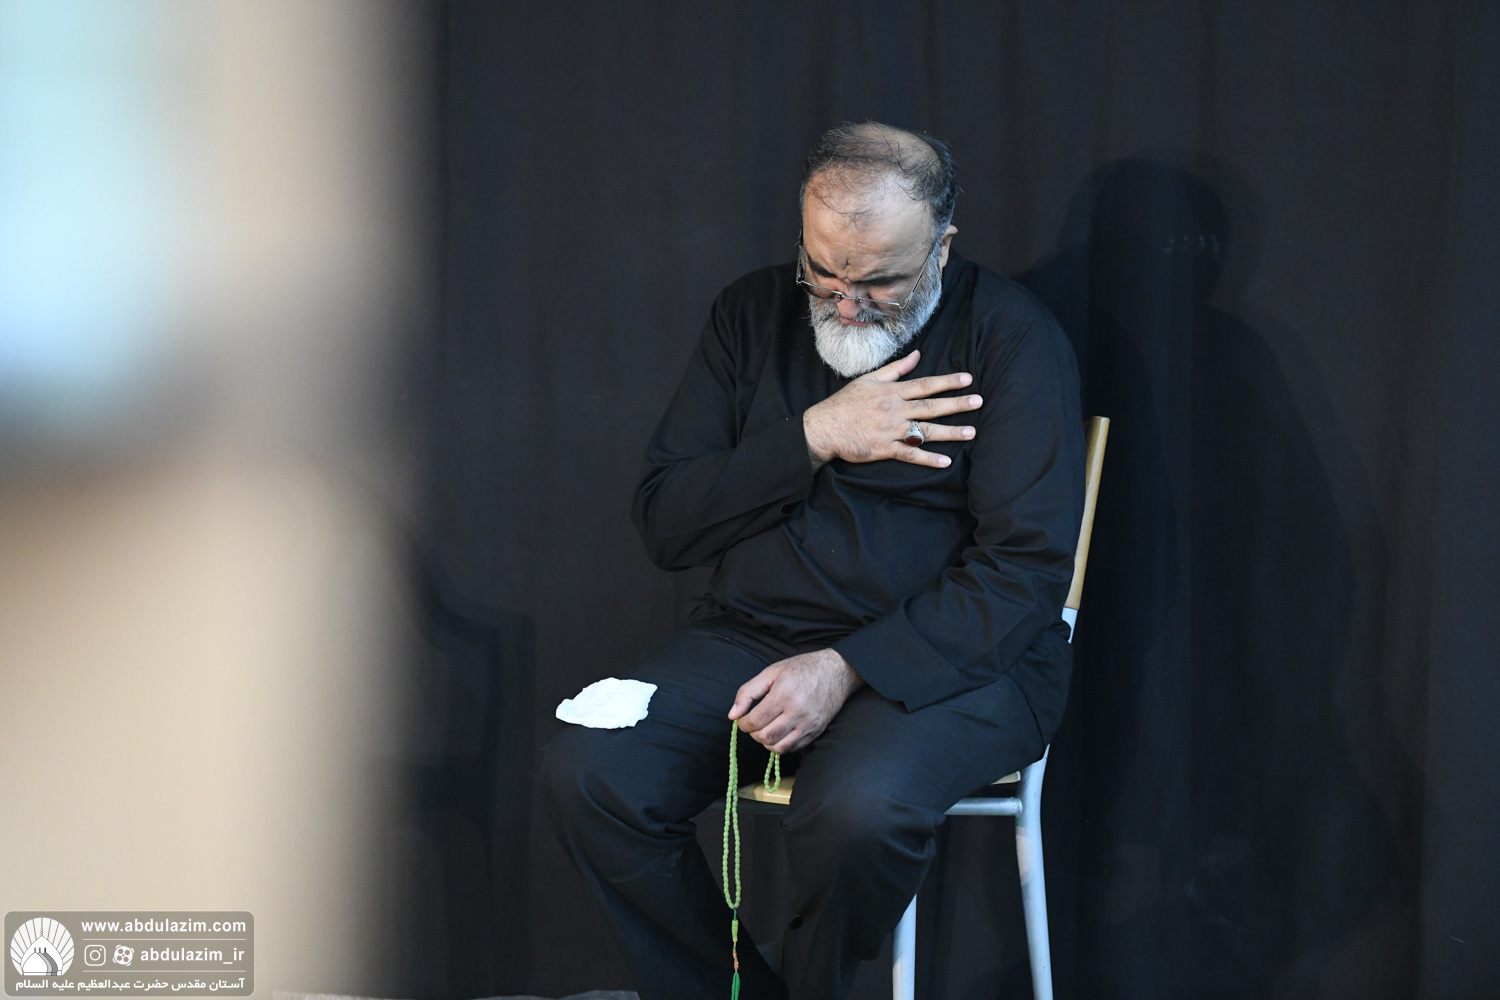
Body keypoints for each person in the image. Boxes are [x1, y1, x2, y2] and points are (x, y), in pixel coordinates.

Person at [542, 122, 1084, 1000]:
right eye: (825, 272)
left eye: (880, 280)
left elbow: (1024, 573)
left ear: (943, 246)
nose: (848, 303)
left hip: (960, 662)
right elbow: (667, 524)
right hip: (754, 635)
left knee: (859, 813)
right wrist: (813, 435)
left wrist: (846, 667)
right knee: (591, 774)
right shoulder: (750, 314)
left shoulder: (1014, 337)